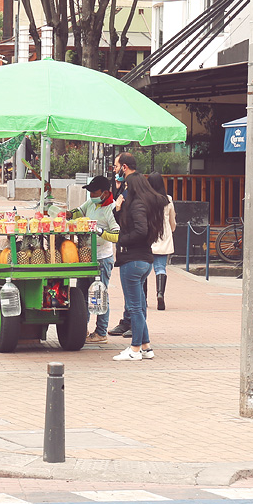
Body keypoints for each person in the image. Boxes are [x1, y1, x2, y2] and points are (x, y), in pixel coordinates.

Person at [112, 172, 165, 361]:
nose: (124, 189)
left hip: (132, 260)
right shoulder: (147, 204)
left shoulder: (137, 204)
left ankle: (135, 349)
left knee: (134, 307)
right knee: (140, 306)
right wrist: (117, 210)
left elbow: (138, 230)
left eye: (126, 186)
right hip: (144, 260)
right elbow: (128, 224)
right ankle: (146, 346)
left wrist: (122, 241)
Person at [71, 176, 119, 344]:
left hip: (102, 259)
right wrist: (67, 214)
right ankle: (81, 329)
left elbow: (116, 235)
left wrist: (98, 231)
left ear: (105, 193)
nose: (91, 195)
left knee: (99, 295)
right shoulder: (91, 203)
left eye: (94, 192)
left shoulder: (111, 210)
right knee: (82, 295)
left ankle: (101, 332)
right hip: (85, 257)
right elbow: (79, 211)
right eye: (90, 192)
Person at [108, 152, 141, 338]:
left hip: (135, 252)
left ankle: (138, 338)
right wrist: (118, 188)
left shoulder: (136, 187)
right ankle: (136, 333)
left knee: (136, 299)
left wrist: (125, 241)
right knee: (135, 298)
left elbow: (129, 220)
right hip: (132, 251)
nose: (114, 170)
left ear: (124, 167)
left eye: (116, 166)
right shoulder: (127, 186)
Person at [148, 173, 177, 311]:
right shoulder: (168, 199)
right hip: (164, 236)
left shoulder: (145, 199)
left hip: (149, 236)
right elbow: (172, 220)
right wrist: (171, 229)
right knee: (160, 268)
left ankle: (143, 298)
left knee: (144, 270)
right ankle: (160, 294)